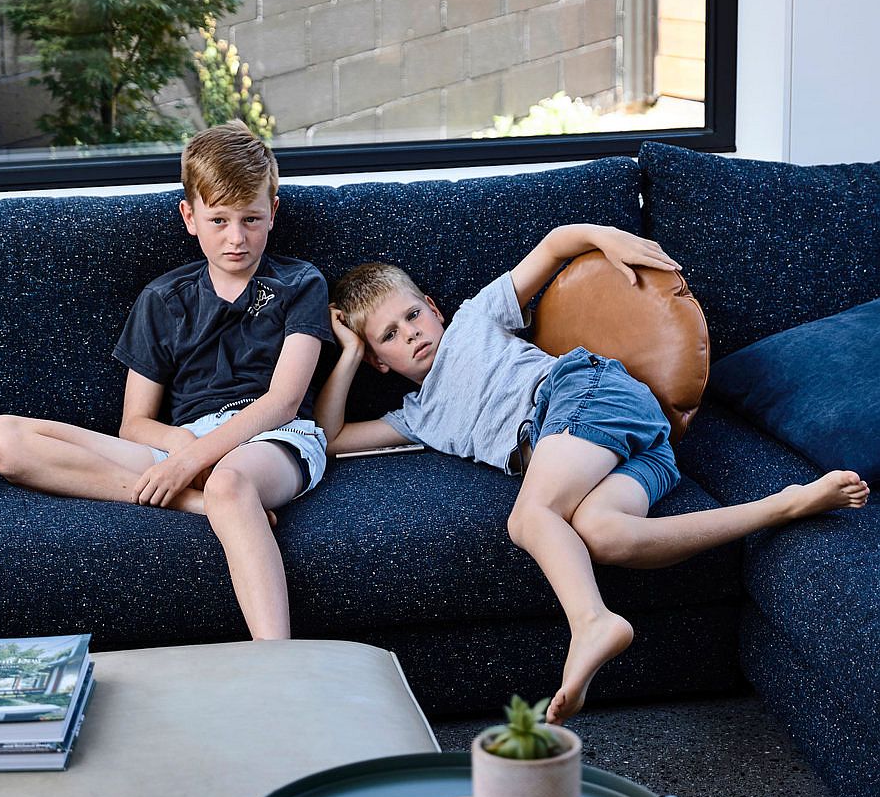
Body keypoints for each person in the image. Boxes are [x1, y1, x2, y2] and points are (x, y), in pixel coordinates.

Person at [315, 223, 869, 723]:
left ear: (433, 307)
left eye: (412, 315)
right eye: (387, 336)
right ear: (378, 362)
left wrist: (609, 240)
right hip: (629, 446)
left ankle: (592, 622)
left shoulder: (473, 319)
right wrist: (344, 354)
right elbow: (332, 437)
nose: (410, 333)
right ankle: (783, 505)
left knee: (530, 517)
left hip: (583, 394)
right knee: (606, 536)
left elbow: (557, 242)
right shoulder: (417, 418)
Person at [0, 120, 332, 641]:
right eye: (219, 220)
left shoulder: (300, 283)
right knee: (1, 440)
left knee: (230, 483)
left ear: (273, 212)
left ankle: (276, 658)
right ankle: (196, 503)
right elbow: (135, 423)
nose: (236, 237)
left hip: (270, 438)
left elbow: (283, 401)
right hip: (181, 442)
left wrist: (193, 461)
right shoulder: (162, 299)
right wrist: (182, 451)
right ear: (189, 217)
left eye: (251, 219)